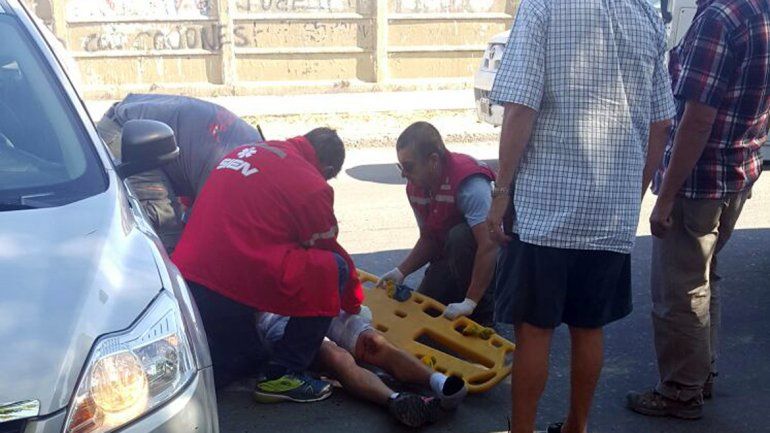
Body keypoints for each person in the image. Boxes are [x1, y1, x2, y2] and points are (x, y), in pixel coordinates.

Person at [486, 1, 675, 432]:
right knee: (589, 327)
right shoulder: (645, 12)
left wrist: (500, 192)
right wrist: (633, 191)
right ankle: (577, 426)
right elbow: (662, 123)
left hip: (545, 209)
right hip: (609, 213)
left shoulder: (543, 6)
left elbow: (520, 107)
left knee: (534, 329)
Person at [627, 0, 769, 420]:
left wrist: (665, 196)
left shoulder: (718, 20)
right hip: (738, 171)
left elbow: (696, 120)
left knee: (680, 288)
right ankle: (699, 373)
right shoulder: (759, 13)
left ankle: (680, 391)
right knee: (705, 276)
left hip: (700, 181)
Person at [172, 128, 364, 403]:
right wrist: (353, 304)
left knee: (254, 354)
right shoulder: (312, 184)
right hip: (222, 285)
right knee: (333, 269)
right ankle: (284, 374)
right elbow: (327, 252)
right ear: (328, 168)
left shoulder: (251, 150)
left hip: (184, 273)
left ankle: (176, 366)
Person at [97, 93, 264, 252]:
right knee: (165, 226)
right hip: (129, 134)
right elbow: (208, 229)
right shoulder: (229, 173)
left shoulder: (252, 147)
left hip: (140, 117)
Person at [256, 306, 468, 427]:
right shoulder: (254, 244)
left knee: (372, 343)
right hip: (279, 317)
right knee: (334, 355)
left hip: (321, 306)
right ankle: (397, 400)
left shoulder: (310, 237)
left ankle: (439, 382)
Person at [378, 121, 498, 326]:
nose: (403, 174)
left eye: (408, 166)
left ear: (433, 160)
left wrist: (470, 302)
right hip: (452, 257)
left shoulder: (469, 184)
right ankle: (460, 294)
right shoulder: (416, 186)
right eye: (400, 166)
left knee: (459, 236)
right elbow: (429, 238)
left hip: (494, 257)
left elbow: (489, 245)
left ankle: (482, 313)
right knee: (421, 316)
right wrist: (401, 271)